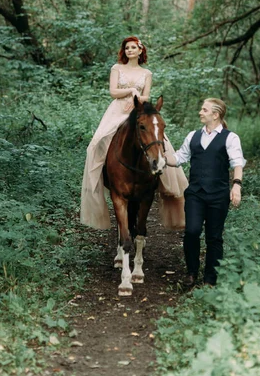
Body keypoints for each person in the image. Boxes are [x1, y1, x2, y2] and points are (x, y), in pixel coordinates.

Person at [80, 36, 188, 230]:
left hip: (139, 109)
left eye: (133, 47)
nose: (129, 50)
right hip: (118, 110)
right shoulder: (116, 68)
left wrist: (138, 99)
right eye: (126, 48)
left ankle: (164, 180)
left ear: (140, 51)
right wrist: (130, 91)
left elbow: (146, 95)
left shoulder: (147, 73)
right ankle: (98, 181)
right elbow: (113, 92)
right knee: (96, 143)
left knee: (161, 141)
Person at [165, 98, 245, 287]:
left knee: (214, 237)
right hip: (195, 194)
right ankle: (191, 273)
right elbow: (178, 158)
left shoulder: (230, 138)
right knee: (191, 232)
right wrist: (159, 156)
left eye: (204, 110)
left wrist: (236, 185)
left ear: (215, 115)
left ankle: (210, 280)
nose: (200, 112)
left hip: (218, 195)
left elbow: (237, 163)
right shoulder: (193, 136)